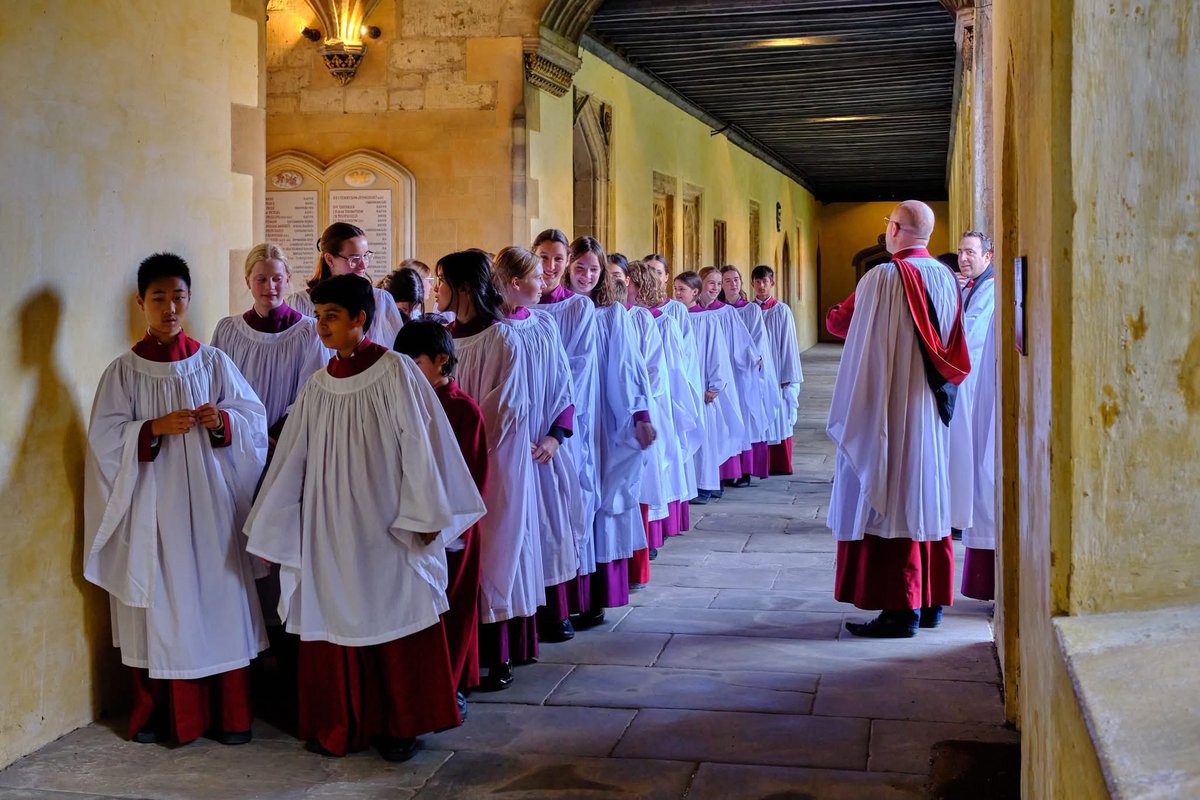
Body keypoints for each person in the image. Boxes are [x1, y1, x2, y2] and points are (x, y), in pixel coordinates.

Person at [245, 274, 485, 761]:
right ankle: (343, 722)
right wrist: (277, 530)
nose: (322, 327)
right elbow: (293, 460)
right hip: (330, 525)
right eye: (317, 317)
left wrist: (424, 514)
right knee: (335, 615)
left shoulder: (395, 371)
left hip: (387, 523)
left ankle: (400, 725)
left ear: (360, 319)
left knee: (394, 610)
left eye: (331, 317)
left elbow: (421, 446)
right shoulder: (317, 386)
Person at [84, 253, 268, 746]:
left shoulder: (212, 361)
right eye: (159, 298)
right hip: (154, 508)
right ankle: (164, 716)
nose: (170, 308)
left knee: (218, 597)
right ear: (140, 302)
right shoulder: (122, 372)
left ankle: (230, 716)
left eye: (179, 297)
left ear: (189, 299)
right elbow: (103, 442)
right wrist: (150, 430)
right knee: (161, 601)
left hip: (210, 505)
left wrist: (222, 422)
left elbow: (253, 418)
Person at [437, 248, 580, 691]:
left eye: (441, 281)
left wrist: (465, 448)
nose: (435, 290)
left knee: (501, 547)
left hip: (495, 462)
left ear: (461, 288)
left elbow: (504, 412)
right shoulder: (440, 334)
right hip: (444, 463)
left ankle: (499, 650)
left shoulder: (501, 339)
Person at [827, 200, 971, 638]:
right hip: (928, 408)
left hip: (890, 406)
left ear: (895, 230)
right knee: (924, 496)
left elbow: (843, 327)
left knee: (890, 494)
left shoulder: (883, 278)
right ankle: (929, 605)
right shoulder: (947, 278)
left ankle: (898, 610)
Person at [393, 319, 489, 709]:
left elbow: (472, 475)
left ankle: (453, 686)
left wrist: (443, 526)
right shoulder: (404, 404)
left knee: (454, 607)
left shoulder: (462, 409)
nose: (407, 372)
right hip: (413, 526)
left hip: (454, 530)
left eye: (414, 363)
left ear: (441, 361)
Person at [567, 236, 655, 600]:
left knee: (603, 494)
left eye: (593, 269)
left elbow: (629, 368)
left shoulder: (611, 314)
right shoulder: (554, 312)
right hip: (567, 425)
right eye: (579, 267)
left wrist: (640, 415)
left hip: (604, 421)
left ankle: (597, 595)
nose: (586, 275)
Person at [532, 229, 601, 637]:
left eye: (559, 259)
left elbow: (574, 371)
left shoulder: (577, 309)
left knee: (563, 512)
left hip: (563, 424)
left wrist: (555, 426)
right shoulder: (516, 306)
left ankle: (563, 604)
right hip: (525, 426)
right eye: (544, 257)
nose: (551, 267)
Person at [627, 260, 700, 543]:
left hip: (656, 401)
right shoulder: (620, 316)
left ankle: (655, 530)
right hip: (636, 401)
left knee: (657, 466)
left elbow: (668, 368)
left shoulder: (661, 320)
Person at [675, 271, 744, 504]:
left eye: (681, 289)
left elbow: (718, 354)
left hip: (702, 387)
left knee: (704, 437)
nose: (677, 294)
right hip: (682, 387)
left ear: (695, 292)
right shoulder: (673, 317)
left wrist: (715, 385)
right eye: (675, 289)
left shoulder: (707, 319)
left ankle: (704, 486)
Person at [955, 231, 998, 600]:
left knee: (982, 477)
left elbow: (968, 341)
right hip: (970, 393)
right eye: (961, 252)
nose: (964, 258)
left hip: (978, 396)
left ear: (989, 255)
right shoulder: (971, 287)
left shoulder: (990, 292)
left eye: (970, 252)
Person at [285, 222, 406, 346]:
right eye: (354, 259)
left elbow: (397, 350)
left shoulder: (381, 300)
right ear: (330, 260)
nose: (363, 265)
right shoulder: (299, 303)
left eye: (365, 256)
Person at [698, 266, 763, 490]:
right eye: (712, 283)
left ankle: (734, 470)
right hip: (701, 374)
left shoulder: (728, 312)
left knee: (728, 420)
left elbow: (744, 342)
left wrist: (753, 358)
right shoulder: (691, 312)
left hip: (729, 374)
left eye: (719, 283)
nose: (716, 288)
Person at [720, 265, 781, 483]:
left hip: (744, 373)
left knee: (746, 419)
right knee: (726, 420)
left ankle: (745, 471)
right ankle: (728, 470)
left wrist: (741, 360)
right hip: (723, 374)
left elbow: (756, 342)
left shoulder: (750, 310)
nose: (733, 283)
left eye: (736, 279)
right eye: (727, 280)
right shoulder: (715, 312)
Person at [751, 265, 804, 475]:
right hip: (756, 374)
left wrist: (787, 376)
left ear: (772, 283)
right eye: (757, 281)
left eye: (765, 281)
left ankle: (779, 464)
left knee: (779, 417)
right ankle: (758, 464)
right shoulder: (749, 310)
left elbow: (789, 344)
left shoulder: (782, 310)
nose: (761, 285)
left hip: (778, 371)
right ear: (753, 283)